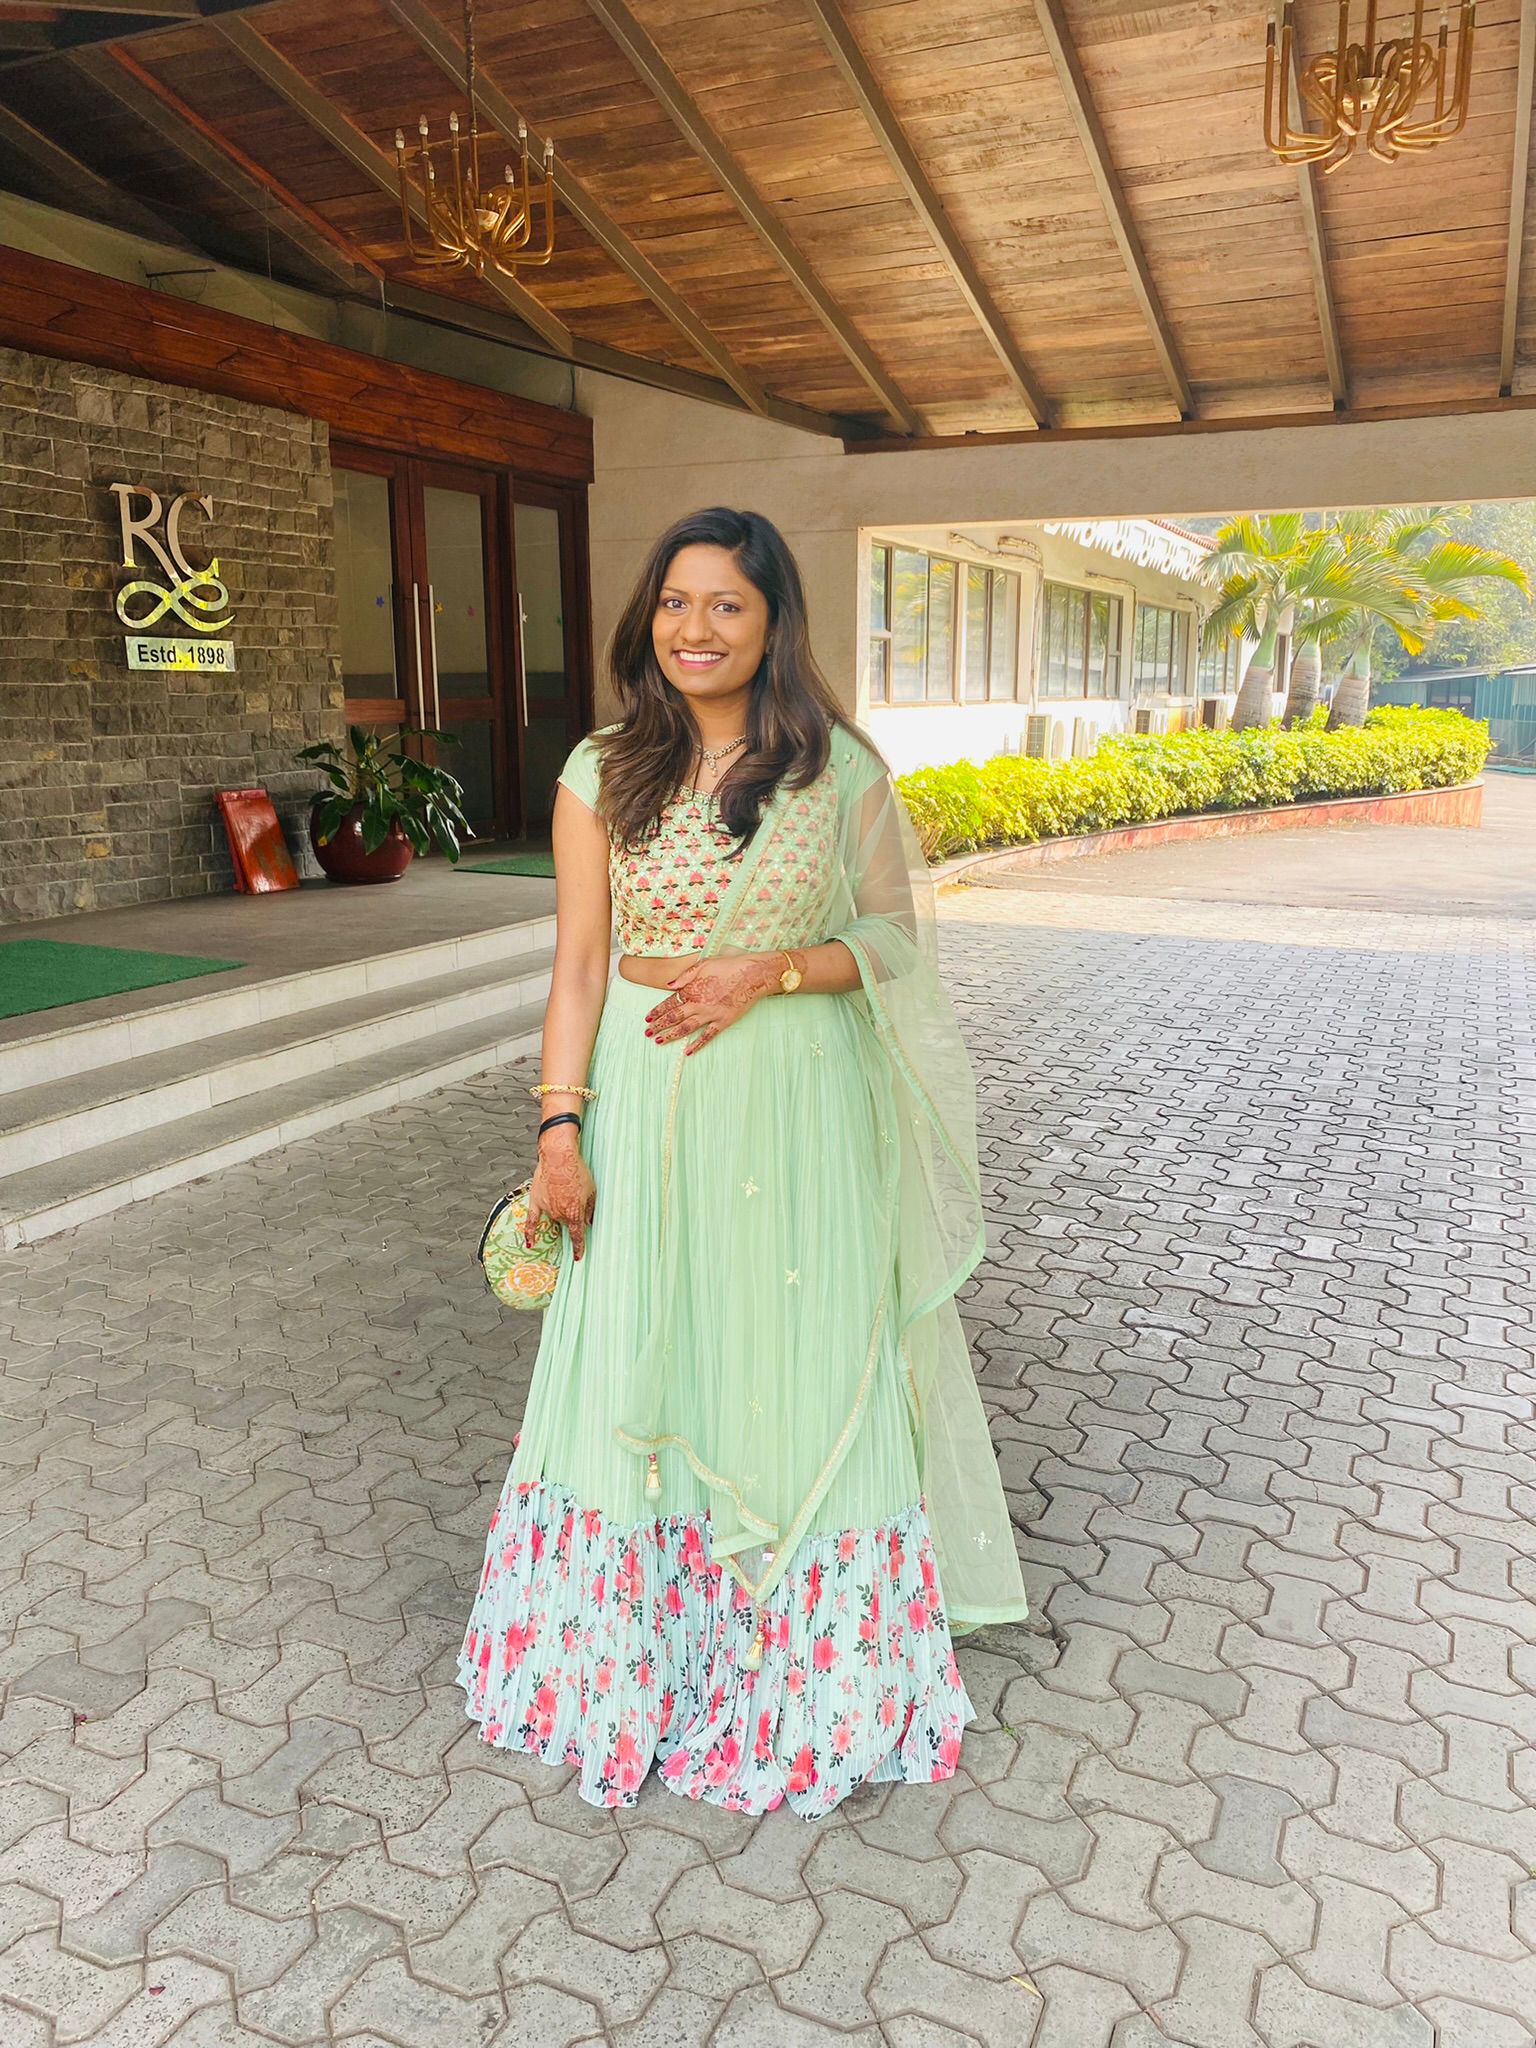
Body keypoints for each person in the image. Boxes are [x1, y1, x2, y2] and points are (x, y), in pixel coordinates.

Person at [458, 507, 1028, 1817]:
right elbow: (579, 967)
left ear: (773, 623)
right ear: (647, 619)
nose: (696, 628)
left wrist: (771, 969)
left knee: (796, 1350)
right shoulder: (604, 769)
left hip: (798, 1101)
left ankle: (804, 1677)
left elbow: (893, 941)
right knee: (647, 1344)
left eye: (727, 604)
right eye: (676, 601)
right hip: (645, 1099)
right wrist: (558, 1128)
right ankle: (630, 1665)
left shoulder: (839, 769)